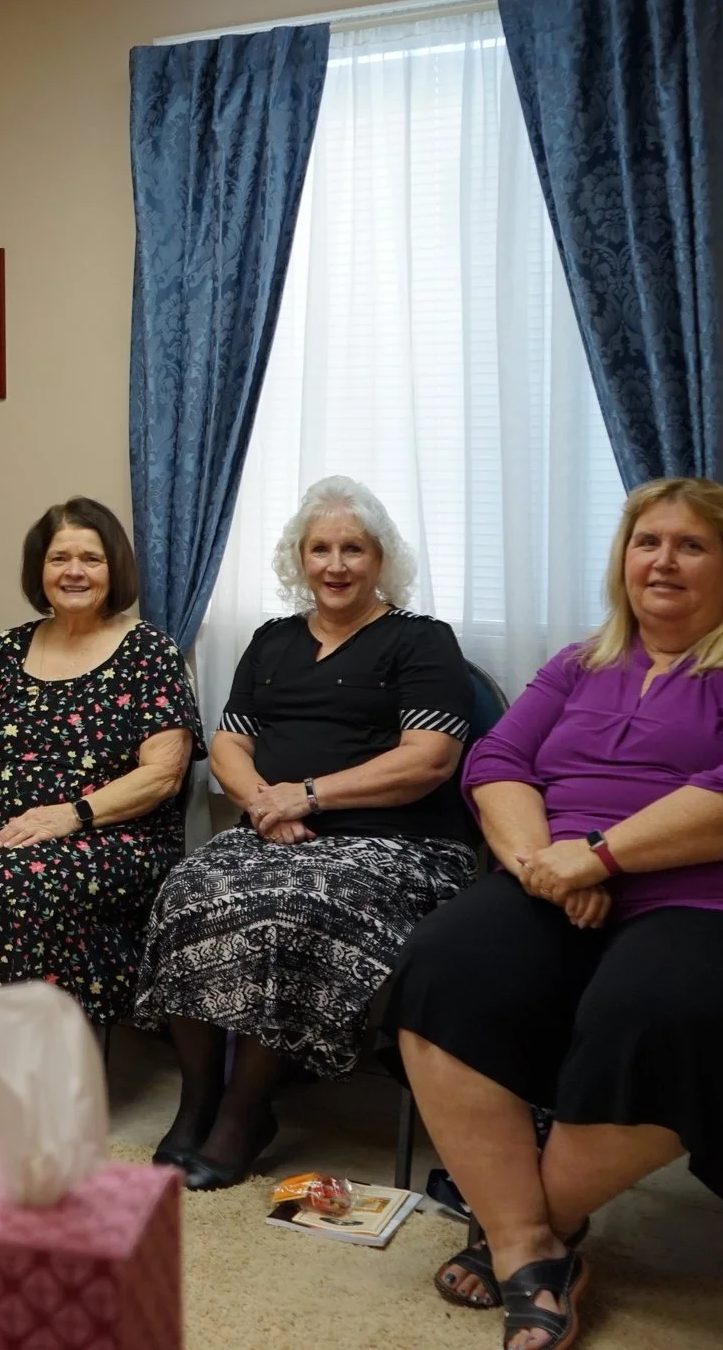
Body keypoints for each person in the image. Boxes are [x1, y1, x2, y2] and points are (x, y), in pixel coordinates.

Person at [384, 478, 723, 1350]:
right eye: (646, 541)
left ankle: (525, 1229)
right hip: (568, 881)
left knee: (659, 1007)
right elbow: (499, 762)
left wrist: (600, 854)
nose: (663, 560)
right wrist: (544, 867)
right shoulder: (580, 662)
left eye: (690, 544)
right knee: (442, 961)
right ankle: (532, 1246)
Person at [132, 478, 480, 1189]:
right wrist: (269, 803)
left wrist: (311, 794)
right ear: (300, 558)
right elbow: (228, 744)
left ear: (381, 558)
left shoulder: (422, 640)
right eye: (320, 548)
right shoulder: (273, 641)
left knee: (293, 909)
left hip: (397, 842)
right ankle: (198, 1099)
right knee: (187, 888)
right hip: (273, 827)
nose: (336, 564)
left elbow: (429, 760)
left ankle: (246, 1111)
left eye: (354, 549)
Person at [0, 497, 202, 1126]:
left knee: (14, 878)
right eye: (59, 558)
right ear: (39, 570)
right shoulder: (10, 647)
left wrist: (70, 815)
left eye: (91, 558)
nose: (74, 571)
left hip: (109, 834)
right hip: (1, 820)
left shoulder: (149, 652)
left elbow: (163, 774)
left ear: (114, 568)